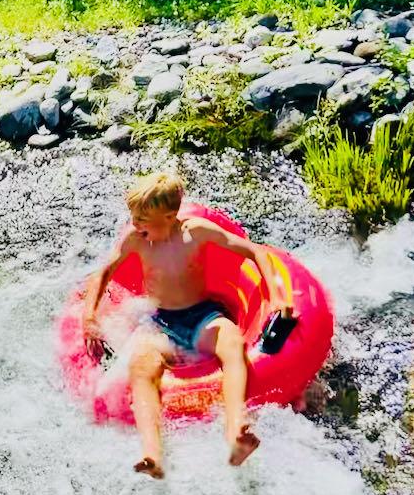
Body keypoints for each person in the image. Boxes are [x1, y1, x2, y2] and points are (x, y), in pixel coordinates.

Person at [81, 173, 293, 479]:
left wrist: (276, 297)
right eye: (133, 217)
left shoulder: (196, 232)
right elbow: (103, 273)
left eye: (142, 219)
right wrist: (89, 316)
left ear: (169, 217)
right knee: (142, 368)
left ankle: (236, 431)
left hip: (202, 315)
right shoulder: (136, 240)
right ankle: (152, 454)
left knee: (232, 344)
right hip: (160, 321)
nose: (134, 223)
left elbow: (255, 251)